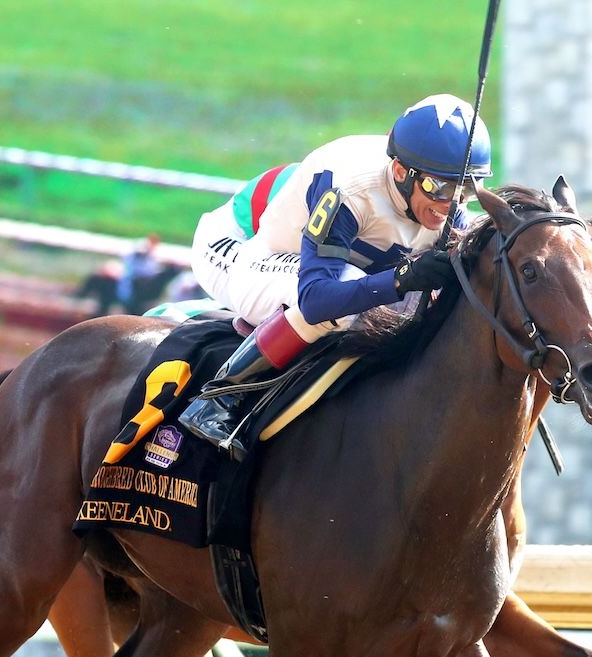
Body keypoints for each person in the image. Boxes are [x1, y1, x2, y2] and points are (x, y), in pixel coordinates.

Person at [179, 93, 491, 456]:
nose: (449, 204)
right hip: (256, 258)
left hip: (327, 263)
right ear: (401, 172)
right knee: (345, 296)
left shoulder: (445, 202)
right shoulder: (350, 190)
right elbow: (316, 299)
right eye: (439, 188)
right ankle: (221, 396)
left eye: (466, 189)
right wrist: (400, 280)